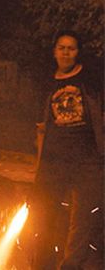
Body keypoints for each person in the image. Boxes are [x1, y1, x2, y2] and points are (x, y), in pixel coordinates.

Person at [27, 30, 103, 269]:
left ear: (77, 53)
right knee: (45, 218)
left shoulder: (90, 80)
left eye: (71, 48)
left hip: (88, 162)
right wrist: (39, 166)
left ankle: (70, 266)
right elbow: (41, 127)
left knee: (83, 221)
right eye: (62, 47)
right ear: (55, 52)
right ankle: (42, 265)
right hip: (55, 162)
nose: (66, 52)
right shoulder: (48, 84)